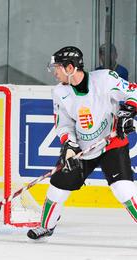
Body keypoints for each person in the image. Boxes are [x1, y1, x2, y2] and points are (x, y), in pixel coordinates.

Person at [27, 46, 137, 240]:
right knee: (58, 188)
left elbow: (133, 93)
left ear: (70, 68)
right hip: (82, 149)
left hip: (111, 142)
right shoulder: (60, 92)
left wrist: (128, 112)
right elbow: (63, 123)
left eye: (58, 68)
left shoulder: (105, 79)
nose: (55, 72)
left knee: (124, 191)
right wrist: (69, 146)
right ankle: (46, 226)